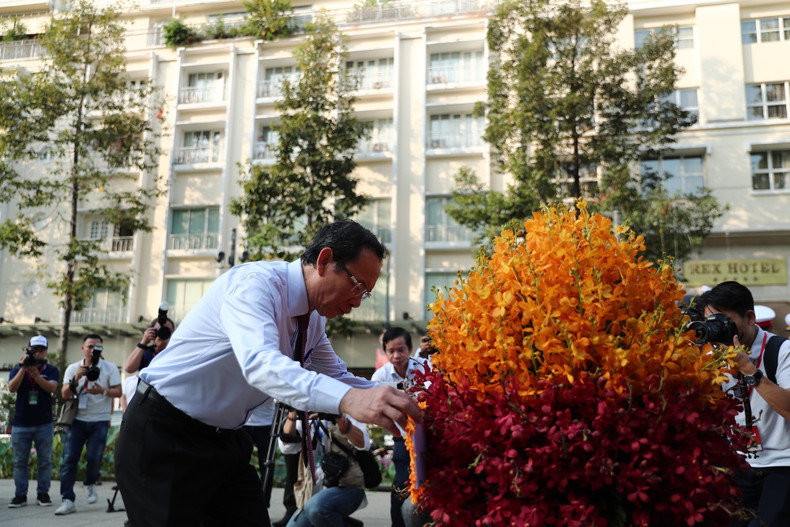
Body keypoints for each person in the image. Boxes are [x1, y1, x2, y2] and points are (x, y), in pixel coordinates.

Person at [115, 220, 422, 527]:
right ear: (325, 261)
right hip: (164, 432)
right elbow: (261, 364)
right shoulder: (255, 285)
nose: (356, 302)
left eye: (365, 294)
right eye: (357, 286)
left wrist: (400, 399)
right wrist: (350, 399)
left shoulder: (314, 320)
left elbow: (337, 376)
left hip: (225, 440)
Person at [697, 281, 790, 527]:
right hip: (736, 464)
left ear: (749, 318)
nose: (717, 329)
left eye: (723, 321)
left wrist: (748, 368)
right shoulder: (709, 358)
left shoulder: (782, 351)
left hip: (782, 464)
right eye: (711, 322)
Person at [55, 334, 122, 516]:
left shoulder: (109, 368)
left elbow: (118, 391)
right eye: (90, 346)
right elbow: (65, 394)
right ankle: (67, 500)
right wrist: (76, 378)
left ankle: (89, 482)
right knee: (69, 460)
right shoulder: (73, 368)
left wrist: (103, 391)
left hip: (99, 420)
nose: (93, 350)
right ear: (83, 349)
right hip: (77, 420)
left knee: (94, 457)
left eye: (97, 347)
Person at [371, 327, 428, 527]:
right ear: (385, 351)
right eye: (391, 351)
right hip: (402, 439)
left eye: (401, 350)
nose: (396, 356)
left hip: (429, 436)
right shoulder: (379, 377)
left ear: (410, 349)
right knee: (401, 486)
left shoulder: (426, 367)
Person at [287, 414, 369, 527]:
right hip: (314, 491)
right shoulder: (307, 415)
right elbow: (287, 447)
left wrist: (336, 416)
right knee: (311, 510)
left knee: (316, 508)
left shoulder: (345, 412)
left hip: (348, 486)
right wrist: (292, 414)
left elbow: (363, 444)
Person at [7, 335, 59, 508]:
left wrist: (37, 376)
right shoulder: (18, 369)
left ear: (46, 351)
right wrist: (23, 368)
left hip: (44, 423)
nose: (38, 353)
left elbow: (52, 388)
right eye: (34, 349)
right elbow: (12, 388)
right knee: (20, 462)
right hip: (21, 423)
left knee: (45, 461)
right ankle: (20, 495)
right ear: (29, 349)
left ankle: (43, 494)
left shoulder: (50, 369)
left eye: (41, 350)